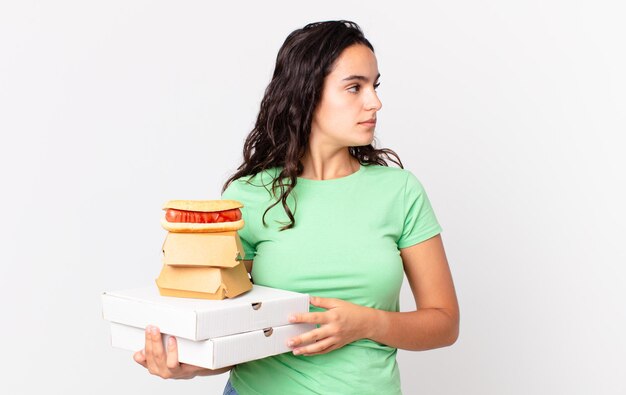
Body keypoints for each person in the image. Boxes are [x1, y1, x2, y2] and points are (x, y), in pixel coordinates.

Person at [133, 20, 459, 395]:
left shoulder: (400, 192)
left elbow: (444, 322)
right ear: (308, 94)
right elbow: (233, 337)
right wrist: (187, 365)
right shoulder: (248, 197)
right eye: (355, 87)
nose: (374, 102)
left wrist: (367, 323)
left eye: (374, 86)